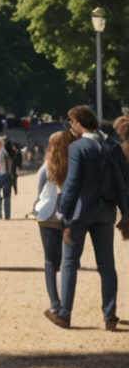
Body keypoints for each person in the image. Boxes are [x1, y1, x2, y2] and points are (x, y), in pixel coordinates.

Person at [51, 106, 124, 330]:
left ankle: (65, 314)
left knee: (71, 263)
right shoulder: (112, 145)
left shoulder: (78, 147)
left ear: (79, 122)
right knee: (107, 265)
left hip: (81, 213)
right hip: (106, 212)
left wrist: (64, 212)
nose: (71, 126)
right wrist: (125, 211)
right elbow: (123, 181)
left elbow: (72, 185)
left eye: (72, 122)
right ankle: (110, 315)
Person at [36, 129, 74, 326]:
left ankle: (55, 304)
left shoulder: (46, 168)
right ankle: (65, 305)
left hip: (47, 217)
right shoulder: (74, 166)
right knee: (66, 262)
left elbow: (40, 193)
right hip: (68, 217)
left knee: (50, 262)